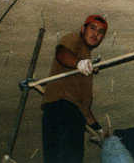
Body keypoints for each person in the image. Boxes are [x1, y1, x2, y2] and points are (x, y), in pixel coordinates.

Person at [41, 14, 108, 163]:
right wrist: (78, 63)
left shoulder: (87, 64)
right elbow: (61, 53)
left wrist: (98, 129)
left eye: (101, 32)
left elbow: (83, 107)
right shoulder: (74, 39)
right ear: (83, 29)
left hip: (74, 114)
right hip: (60, 108)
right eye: (93, 28)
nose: (96, 34)